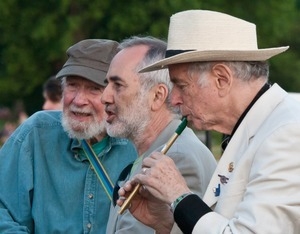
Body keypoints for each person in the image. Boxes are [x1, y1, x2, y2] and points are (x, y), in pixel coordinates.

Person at [117, 10, 300, 233]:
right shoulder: (258, 128)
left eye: (181, 85)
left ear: (221, 78)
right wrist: (166, 223)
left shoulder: (287, 133)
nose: (173, 99)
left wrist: (179, 196)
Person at [0, 39, 138, 233]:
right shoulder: (36, 134)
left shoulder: (137, 145)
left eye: (94, 88)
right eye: (72, 85)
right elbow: (3, 209)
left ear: (114, 95)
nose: (79, 100)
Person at [101, 36, 217, 233]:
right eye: (107, 84)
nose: (104, 97)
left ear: (157, 96)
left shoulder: (177, 157)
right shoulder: (158, 150)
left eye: (118, 85)